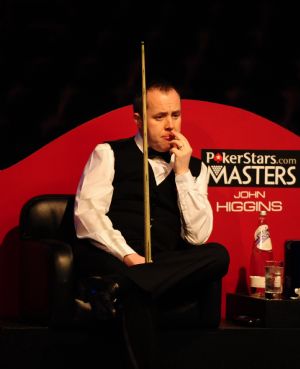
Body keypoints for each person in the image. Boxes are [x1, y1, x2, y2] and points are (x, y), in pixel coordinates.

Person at [74, 80, 230, 369]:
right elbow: (88, 215)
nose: (170, 125)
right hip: (116, 257)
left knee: (218, 254)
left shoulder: (196, 168)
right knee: (141, 291)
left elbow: (197, 237)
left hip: (162, 262)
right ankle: (129, 282)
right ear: (138, 119)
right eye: (160, 117)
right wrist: (129, 257)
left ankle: (119, 287)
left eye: (176, 115)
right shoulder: (108, 153)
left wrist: (182, 173)